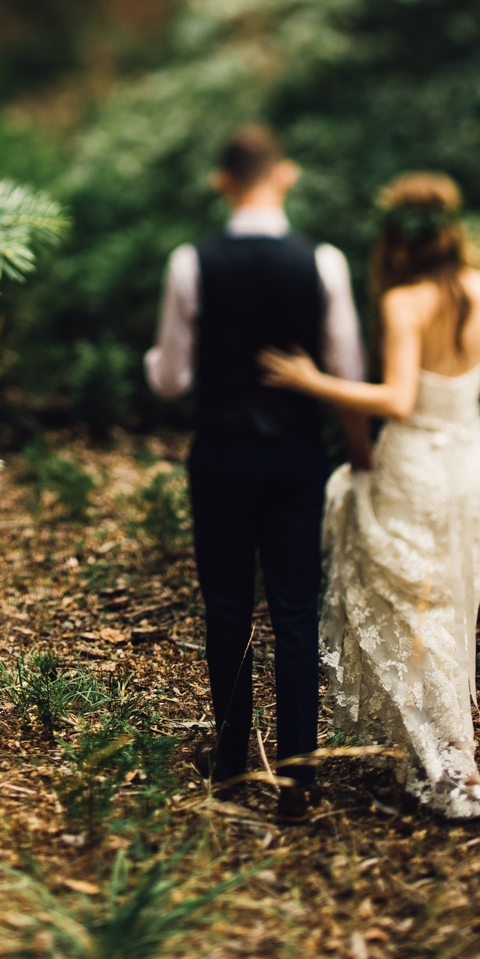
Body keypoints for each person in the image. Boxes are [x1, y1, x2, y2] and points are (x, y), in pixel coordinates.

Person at [259, 172, 480, 819]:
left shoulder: (404, 301)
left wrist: (314, 381)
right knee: (453, 596)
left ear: (396, 239)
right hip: (471, 461)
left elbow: (397, 400)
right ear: (453, 231)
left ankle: (445, 758)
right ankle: (445, 753)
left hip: (416, 461)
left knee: (414, 603)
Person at [145, 125, 371, 819]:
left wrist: (152, 365)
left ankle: (232, 763)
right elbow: (349, 372)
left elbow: (171, 379)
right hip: (297, 452)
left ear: (222, 181)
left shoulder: (191, 262)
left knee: (226, 607)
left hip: (221, 452)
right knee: (296, 609)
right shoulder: (323, 262)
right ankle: (299, 777)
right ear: (287, 176)